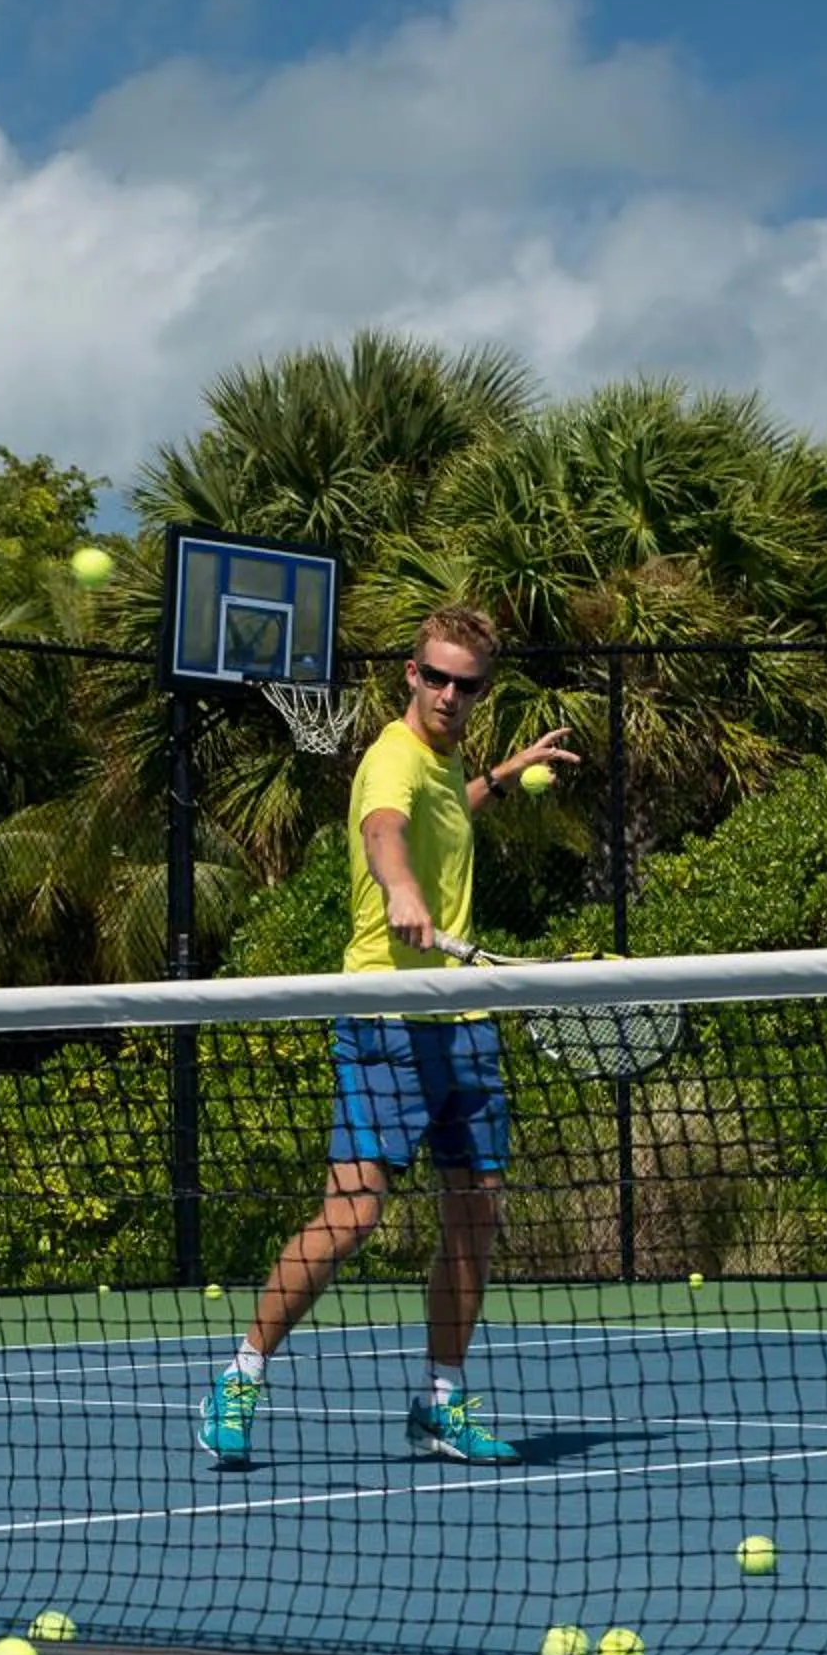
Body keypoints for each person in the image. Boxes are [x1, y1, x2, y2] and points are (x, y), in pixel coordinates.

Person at [197, 606, 577, 1470]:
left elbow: (448, 810)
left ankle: (440, 1402)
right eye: (434, 677)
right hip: (385, 1020)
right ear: (410, 674)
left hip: (465, 1020)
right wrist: (400, 892)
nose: (447, 694)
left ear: (482, 690)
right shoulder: (390, 759)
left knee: (475, 1214)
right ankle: (242, 1374)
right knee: (353, 1214)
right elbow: (385, 832)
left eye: (465, 684)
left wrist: (503, 778)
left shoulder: (445, 765)